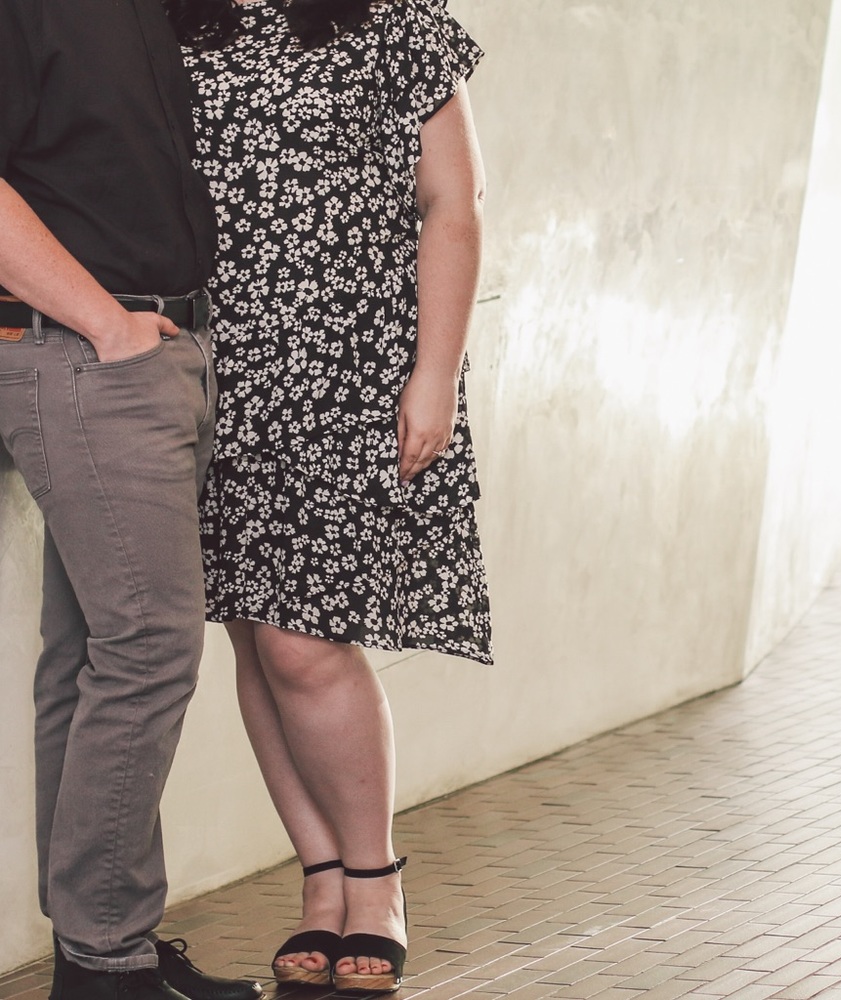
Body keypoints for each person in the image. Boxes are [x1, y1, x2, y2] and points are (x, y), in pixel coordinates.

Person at [172, 0, 492, 992]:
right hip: (212, 369)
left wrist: (435, 373)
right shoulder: (178, 22)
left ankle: (375, 880)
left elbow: (454, 203)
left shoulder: (396, 20)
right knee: (252, 634)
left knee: (303, 641)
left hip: (346, 369)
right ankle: (321, 879)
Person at [0, 3, 262, 999]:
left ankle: (100, 946)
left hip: (145, 351)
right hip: (88, 355)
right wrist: (109, 328)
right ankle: (106, 960)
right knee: (148, 648)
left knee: (91, 656)